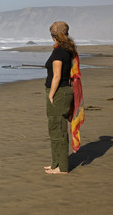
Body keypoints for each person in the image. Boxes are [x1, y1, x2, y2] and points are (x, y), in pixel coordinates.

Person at [44, 21, 76, 174]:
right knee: (55, 128)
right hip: (63, 91)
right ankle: (55, 163)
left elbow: (57, 76)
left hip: (58, 92)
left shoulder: (59, 52)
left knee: (58, 130)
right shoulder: (68, 49)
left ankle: (62, 167)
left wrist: (51, 94)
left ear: (54, 36)